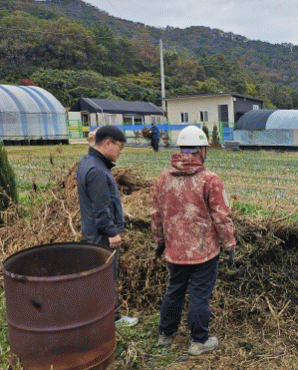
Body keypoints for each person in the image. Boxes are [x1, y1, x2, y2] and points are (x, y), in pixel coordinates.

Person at [151, 125, 236, 356]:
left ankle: (165, 334)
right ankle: (198, 341)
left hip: (175, 249)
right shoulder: (210, 180)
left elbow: (156, 214)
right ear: (201, 150)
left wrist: (159, 241)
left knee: (174, 290)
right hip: (203, 251)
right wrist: (229, 244)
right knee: (200, 295)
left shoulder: (163, 179)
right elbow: (221, 216)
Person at [77, 125, 138, 327]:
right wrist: (112, 232)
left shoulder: (88, 161)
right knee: (105, 277)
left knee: (98, 277)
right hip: (101, 235)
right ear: (108, 143)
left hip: (93, 231)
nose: (121, 151)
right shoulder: (97, 171)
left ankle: (98, 316)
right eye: (119, 146)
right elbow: (101, 208)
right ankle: (111, 319)